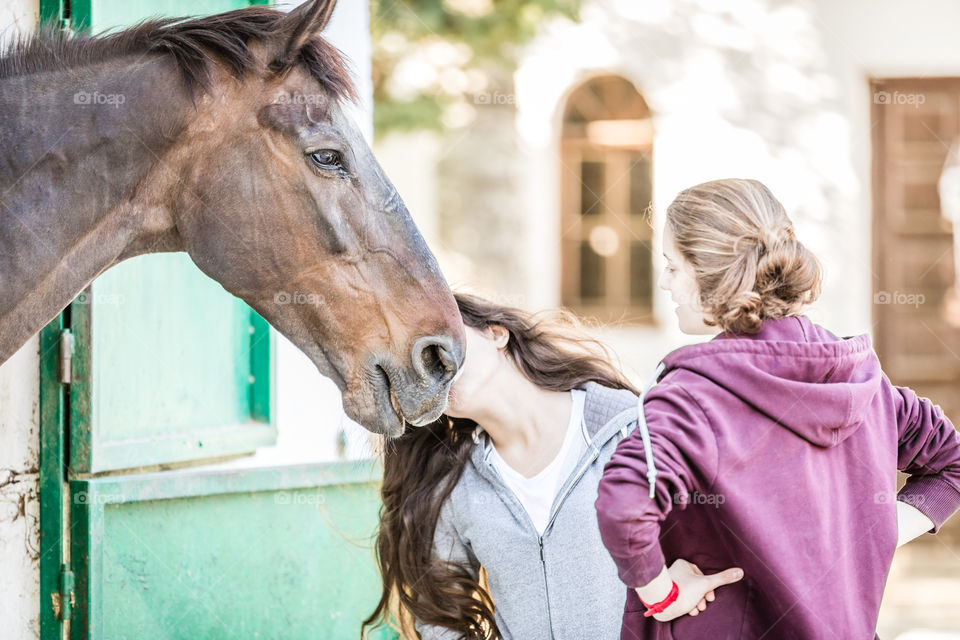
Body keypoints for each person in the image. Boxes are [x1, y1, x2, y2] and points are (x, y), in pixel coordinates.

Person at [595, 178, 960, 638]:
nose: (664, 283)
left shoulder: (692, 396)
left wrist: (663, 594)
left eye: (672, 266)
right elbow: (953, 465)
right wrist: (866, 537)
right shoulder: (860, 379)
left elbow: (624, 503)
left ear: (712, 274)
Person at [363, 292, 743, 640]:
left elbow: (715, 532)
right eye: (415, 369)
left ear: (497, 334)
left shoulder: (631, 429)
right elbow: (440, 612)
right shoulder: (457, 486)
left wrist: (674, 589)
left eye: (438, 341)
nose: (430, 367)